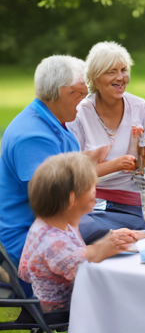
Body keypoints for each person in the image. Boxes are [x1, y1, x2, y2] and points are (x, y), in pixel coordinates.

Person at [18, 153, 141, 317]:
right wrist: (101, 249)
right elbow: (87, 275)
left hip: (60, 301)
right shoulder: (53, 242)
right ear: (72, 199)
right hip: (62, 310)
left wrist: (106, 243)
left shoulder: (47, 224)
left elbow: (26, 271)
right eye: (91, 187)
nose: (95, 191)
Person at [68, 42, 145, 245]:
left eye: (124, 70)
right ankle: (124, 236)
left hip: (129, 203)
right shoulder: (78, 113)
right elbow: (74, 176)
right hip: (89, 203)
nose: (121, 77)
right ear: (95, 78)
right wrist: (117, 164)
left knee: (133, 227)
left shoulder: (139, 106)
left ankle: (120, 236)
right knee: (83, 229)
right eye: (112, 72)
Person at [0, 55, 87, 270]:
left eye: (85, 94)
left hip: (50, 229)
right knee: (106, 263)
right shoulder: (33, 137)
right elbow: (50, 208)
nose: (84, 101)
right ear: (60, 92)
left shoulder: (54, 123)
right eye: (79, 93)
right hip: (28, 239)